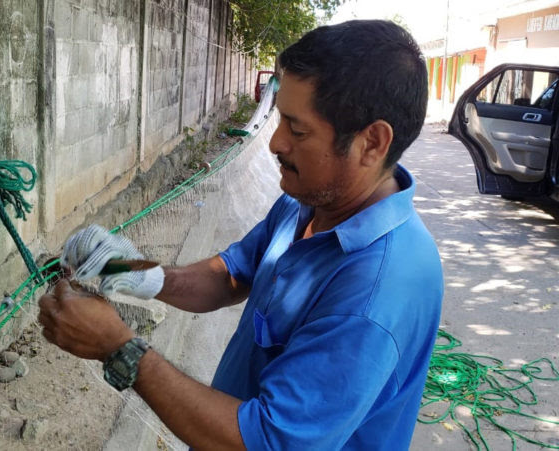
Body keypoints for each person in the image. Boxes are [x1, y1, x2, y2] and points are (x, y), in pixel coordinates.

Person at [38, 20, 443, 450]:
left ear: (372, 143)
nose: (275, 142)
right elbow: (232, 274)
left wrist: (120, 349)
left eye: (297, 129)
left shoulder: (375, 294)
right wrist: (137, 272)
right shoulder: (308, 202)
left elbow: (265, 441)